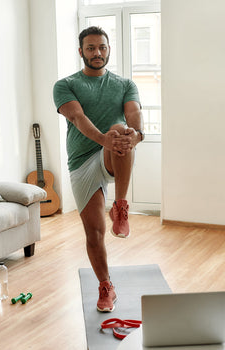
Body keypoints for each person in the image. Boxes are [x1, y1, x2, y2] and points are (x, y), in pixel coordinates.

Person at [53, 26, 145, 313]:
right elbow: (77, 117)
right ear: (81, 51)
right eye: (90, 48)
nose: (97, 53)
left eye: (102, 47)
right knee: (94, 233)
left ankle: (120, 204)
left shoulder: (124, 84)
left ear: (108, 49)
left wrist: (137, 135)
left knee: (121, 129)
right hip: (82, 161)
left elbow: (134, 115)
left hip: (114, 153)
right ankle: (106, 286)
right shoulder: (65, 84)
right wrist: (104, 138)